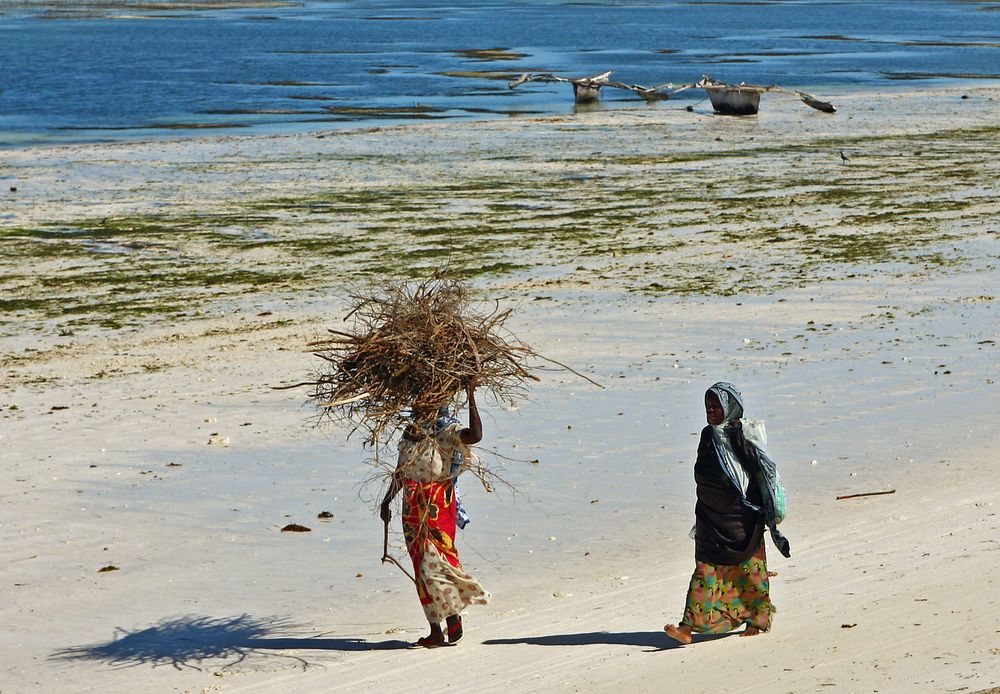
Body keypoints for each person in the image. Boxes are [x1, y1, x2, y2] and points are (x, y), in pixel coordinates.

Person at [664, 382, 787, 645]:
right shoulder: (707, 437)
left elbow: (761, 472)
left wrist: (768, 510)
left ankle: (757, 619)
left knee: (750, 573)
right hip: (711, 519)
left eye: (715, 406)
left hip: (742, 521)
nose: (710, 411)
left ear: (729, 408)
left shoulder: (742, 435)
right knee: (704, 574)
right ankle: (687, 627)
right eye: (707, 406)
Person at [380, 380, 490, 648]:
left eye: (424, 402)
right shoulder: (409, 434)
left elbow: (475, 436)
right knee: (421, 567)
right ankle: (436, 629)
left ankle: (452, 615)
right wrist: (386, 502)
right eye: (416, 403)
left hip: (437, 503)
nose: (419, 406)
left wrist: (471, 394)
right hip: (411, 505)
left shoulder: (446, 430)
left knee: (437, 561)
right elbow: (400, 472)